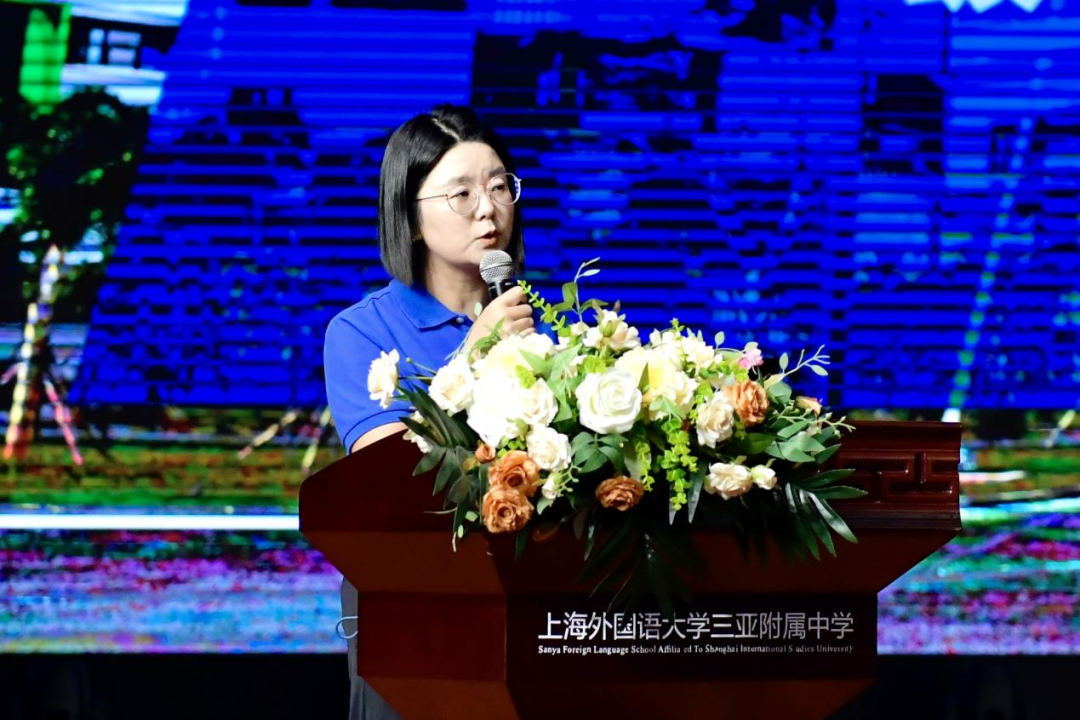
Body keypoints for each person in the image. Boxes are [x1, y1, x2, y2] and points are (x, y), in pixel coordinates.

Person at [322, 104, 534, 719]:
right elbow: (389, 473)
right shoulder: (360, 332)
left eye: (499, 186)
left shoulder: (535, 329)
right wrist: (476, 353)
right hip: (411, 612)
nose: (488, 209)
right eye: (461, 193)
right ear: (410, 220)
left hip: (527, 609)